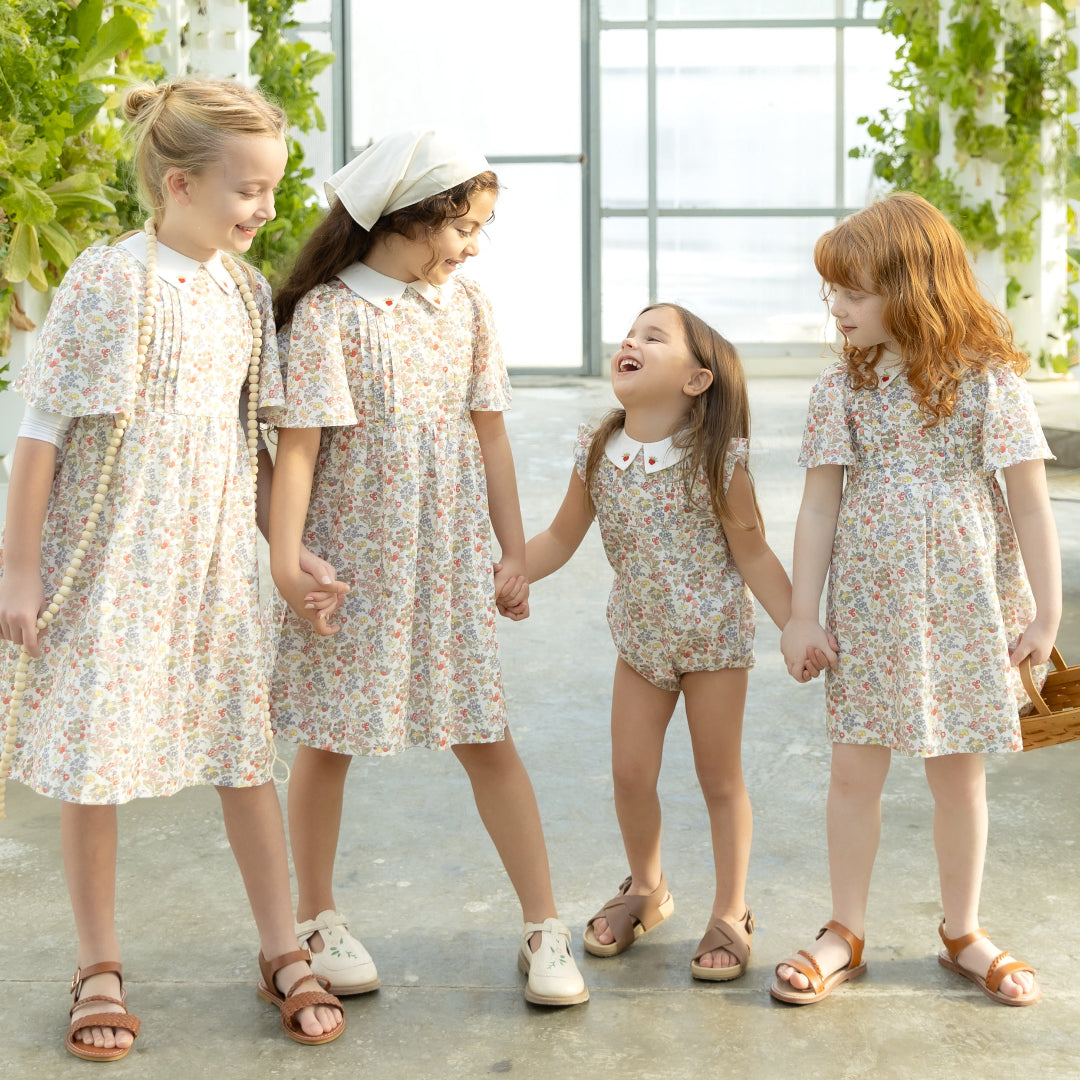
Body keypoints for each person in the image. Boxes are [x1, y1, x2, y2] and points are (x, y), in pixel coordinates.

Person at [0, 78, 346, 1059]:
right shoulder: (110, 281)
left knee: (244, 752)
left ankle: (281, 945)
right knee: (93, 764)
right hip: (111, 565)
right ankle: (97, 961)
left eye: (274, 190)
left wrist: (287, 558)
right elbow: (41, 431)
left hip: (211, 567)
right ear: (181, 184)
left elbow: (255, 442)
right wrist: (17, 569)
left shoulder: (240, 290)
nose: (267, 210)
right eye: (250, 191)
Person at [265, 129, 588, 1007]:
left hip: (444, 559)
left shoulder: (467, 308)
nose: (473, 247)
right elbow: (298, 453)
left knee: (486, 734)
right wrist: (287, 563)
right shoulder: (329, 316)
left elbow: (490, 432)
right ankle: (315, 919)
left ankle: (543, 926)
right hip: (355, 561)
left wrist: (513, 549)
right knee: (328, 741)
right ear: (410, 216)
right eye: (465, 228)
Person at [772, 191, 1059, 1007]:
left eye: (852, 292)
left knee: (958, 779)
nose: (836, 307)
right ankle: (845, 930)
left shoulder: (989, 384)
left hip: (969, 608)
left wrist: (1047, 611)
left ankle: (963, 930)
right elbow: (820, 504)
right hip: (870, 610)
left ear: (914, 286)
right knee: (855, 773)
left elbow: (1032, 501)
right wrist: (801, 613)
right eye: (831, 290)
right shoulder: (842, 389)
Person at [523, 303, 793, 980]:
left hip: (713, 642)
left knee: (718, 778)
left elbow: (754, 552)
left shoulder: (714, 457)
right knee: (630, 774)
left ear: (697, 380)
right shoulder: (598, 447)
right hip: (640, 638)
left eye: (653, 336)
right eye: (629, 333)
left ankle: (732, 909)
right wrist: (507, 568)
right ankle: (647, 888)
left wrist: (798, 624)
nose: (629, 341)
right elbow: (559, 538)